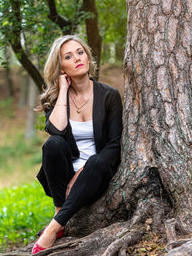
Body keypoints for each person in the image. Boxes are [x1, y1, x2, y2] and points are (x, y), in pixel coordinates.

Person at [31, 35, 123, 255]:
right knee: (52, 145)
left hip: (96, 173)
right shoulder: (55, 100)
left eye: (80, 52)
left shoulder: (109, 95)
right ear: (60, 66)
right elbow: (58, 132)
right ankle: (60, 210)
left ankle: (54, 227)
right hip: (64, 177)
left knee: (96, 161)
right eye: (68, 56)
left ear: (88, 57)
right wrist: (62, 90)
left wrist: (81, 172)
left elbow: (113, 145)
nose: (77, 59)